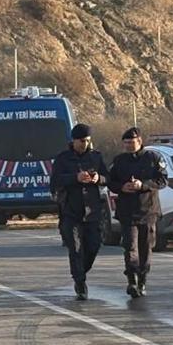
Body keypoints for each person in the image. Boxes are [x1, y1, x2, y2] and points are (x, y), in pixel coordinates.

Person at [50, 123, 109, 300]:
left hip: (92, 211)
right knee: (75, 248)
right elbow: (55, 182)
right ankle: (80, 282)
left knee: (93, 246)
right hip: (71, 210)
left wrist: (99, 178)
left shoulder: (96, 157)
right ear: (74, 141)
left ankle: (80, 271)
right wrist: (75, 178)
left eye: (88, 141)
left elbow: (108, 178)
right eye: (82, 141)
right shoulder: (63, 159)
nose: (85, 144)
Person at [108, 127, 168, 298]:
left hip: (147, 211)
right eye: (126, 143)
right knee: (129, 246)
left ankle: (142, 279)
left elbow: (162, 180)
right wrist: (121, 187)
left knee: (145, 248)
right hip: (127, 212)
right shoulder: (119, 161)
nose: (128, 145)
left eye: (131, 142)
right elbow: (110, 181)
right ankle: (131, 280)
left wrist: (143, 185)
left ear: (139, 141)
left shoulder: (153, 158)